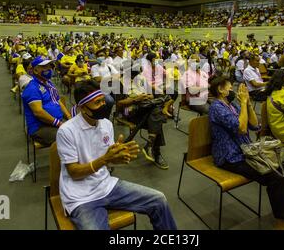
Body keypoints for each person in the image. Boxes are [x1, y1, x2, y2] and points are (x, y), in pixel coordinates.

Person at [56, 79, 177, 230]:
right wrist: (106, 159)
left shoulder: (106, 124)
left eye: (102, 101)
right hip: (81, 198)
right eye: (97, 103)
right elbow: (74, 173)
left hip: (106, 185)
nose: (103, 106)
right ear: (82, 107)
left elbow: (107, 160)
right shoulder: (67, 131)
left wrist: (116, 158)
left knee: (159, 200)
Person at [208, 76, 284, 230]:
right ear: (220, 89)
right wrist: (243, 103)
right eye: (230, 87)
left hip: (246, 151)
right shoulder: (216, 107)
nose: (233, 90)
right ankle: (281, 223)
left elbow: (254, 125)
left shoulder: (231, 105)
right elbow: (240, 127)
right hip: (230, 156)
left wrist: (247, 105)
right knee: (275, 176)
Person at [22, 56, 71, 146]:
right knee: (70, 136)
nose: (48, 68)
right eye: (44, 66)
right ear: (36, 70)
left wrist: (69, 117)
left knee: (80, 129)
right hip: (40, 127)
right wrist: (59, 123)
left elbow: (58, 101)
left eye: (49, 65)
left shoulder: (48, 83)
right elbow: (39, 112)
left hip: (56, 122)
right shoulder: (32, 88)